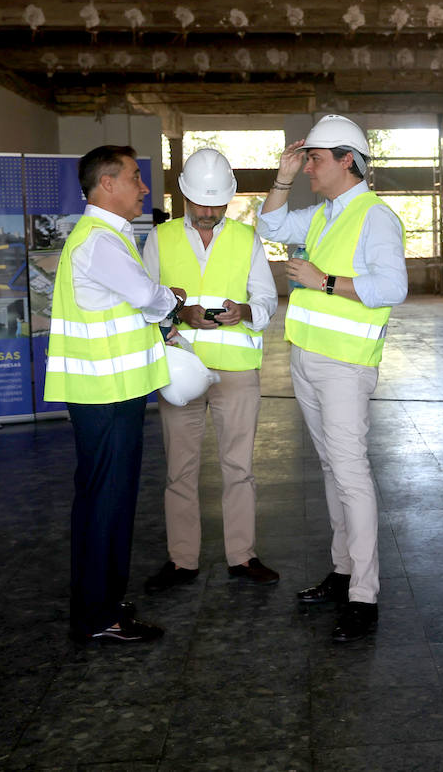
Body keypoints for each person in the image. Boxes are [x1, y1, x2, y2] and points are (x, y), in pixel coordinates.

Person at [257, 114, 408, 643]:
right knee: (331, 469)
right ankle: (343, 571)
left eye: (315, 160)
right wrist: (282, 175)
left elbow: (392, 286)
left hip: (344, 363)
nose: (308, 170)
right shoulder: (323, 214)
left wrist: (325, 282)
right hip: (308, 356)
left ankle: (363, 594)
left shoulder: (375, 217)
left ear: (349, 160)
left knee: (350, 473)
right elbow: (269, 227)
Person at [45, 145, 184, 644]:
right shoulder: (100, 242)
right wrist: (173, 301)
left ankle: (99, 602)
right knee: (108, 502)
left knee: (105, 500)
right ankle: (99, 615)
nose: (143, 188)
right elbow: (149, 297)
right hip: (105, 395)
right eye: (135, 177)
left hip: (109, 392)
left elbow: (133, 306)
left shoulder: (105, 238)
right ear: (107, 183)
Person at [142, 148, 281, 594]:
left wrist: (244, 310)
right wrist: (182, 316)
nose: (207, 212)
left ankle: (242, 556)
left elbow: (267, 300)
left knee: (238, 467)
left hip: (237, 371)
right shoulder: (159, 239)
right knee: (179, 470)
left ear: (228, 200)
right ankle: (182, 560)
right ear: (184, 195)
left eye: (216, 204)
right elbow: (144, 305)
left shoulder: (246, 239)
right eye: (200, 204)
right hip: (180, 371)